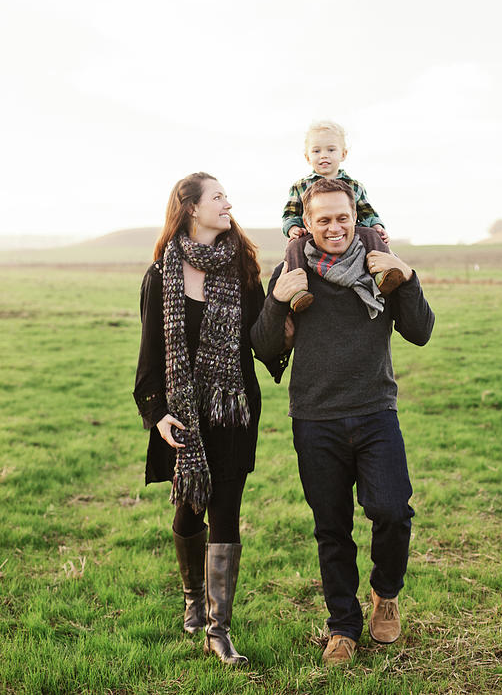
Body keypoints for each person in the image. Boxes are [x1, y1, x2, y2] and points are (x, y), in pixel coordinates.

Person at [251, 177, 434, 666]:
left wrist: (409, 276)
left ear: (357, 219)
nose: (334, 227)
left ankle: (386, 594)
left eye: (342, 218)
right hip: (315, 419)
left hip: (376, 411)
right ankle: (342, 628)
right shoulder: (291, 274)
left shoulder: (380, 271)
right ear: (305, 225)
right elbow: (266, 349)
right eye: (323, 219)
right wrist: (276, 300)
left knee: (393, 511)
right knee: (331, 528)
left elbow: (420, 332)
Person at [133, 172, 287, 667]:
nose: (228, 202)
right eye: (218, 196)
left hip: (235, 409)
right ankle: (193, 597)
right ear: (191, 208)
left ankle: (218, 632)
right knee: (189, 510)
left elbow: (263, 338)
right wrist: (156, 414)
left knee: (226, 509)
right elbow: (151, 356)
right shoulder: (162, 275)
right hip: (183, 417)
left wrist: (288, 305)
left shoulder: (242, 269)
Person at [281, 120, 402, 312]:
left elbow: (367, 212)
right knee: (294, 246)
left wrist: (377, 226)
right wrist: (293, 228)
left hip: (350, 236)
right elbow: (290, 214)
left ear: (343, 154)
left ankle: (383, 273)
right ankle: (298, 291)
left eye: (331, 150)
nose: (324, 156)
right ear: (307, 156)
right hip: (315, 234)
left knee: (371, 235)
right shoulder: (300, 187)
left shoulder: (355, 186)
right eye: (316, 151)